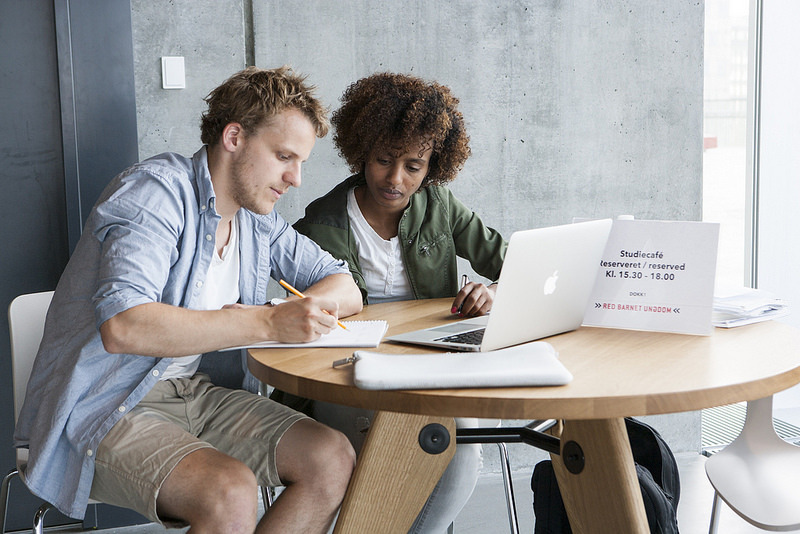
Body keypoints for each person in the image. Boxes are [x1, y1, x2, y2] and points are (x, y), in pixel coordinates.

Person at [13, 66, 363, 534]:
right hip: (107, 404)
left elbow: (344, 284)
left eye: (301, 161)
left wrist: (290, 312)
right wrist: (266, 323)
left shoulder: (256, 218)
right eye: (283, 156)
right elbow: (125, 326)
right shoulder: (155, 193)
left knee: (332, 457)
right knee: (229, 493)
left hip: (195, 393)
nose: (295, 178)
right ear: (234, 136)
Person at [291, 72, 508, 532]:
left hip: (435, 361)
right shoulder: (322, 224)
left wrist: (493, 293)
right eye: (384, 160)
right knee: (386, 452)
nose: (395, 178)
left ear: (434, 166)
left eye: (414, 165)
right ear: (361, 152)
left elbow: (509, 264)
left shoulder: (441, 206)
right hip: (350, 368)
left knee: (461, 446)